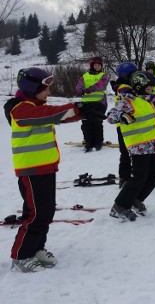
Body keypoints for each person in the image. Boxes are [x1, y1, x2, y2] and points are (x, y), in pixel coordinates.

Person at [4, 67, 85, 272]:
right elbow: (49, 114)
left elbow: (57, 116)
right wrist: (77, 108)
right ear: (32, 88)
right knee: (35, 213)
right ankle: (21, 256)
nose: (48, 93)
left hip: (47, 167)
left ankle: (36, 248)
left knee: (46, 211)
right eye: (45, 88)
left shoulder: (35, 106)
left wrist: (85, 113)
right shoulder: (20, 109)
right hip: (31, 170)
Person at [107, 71, 155, 221]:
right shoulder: (129, 100)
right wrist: (121, 116)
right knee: (139, 177)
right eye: (148, 89)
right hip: (138, 145)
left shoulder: (147, 100)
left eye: (152, 89)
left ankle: (135, 199)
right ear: (139, 87)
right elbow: (111, 115)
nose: (151, 91)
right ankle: (119, 206)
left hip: (152, 144)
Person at [110, 62, 138, 189]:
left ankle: (135, 175)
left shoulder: (127, 85)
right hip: (123, 126)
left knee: (135, 151)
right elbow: (130, 94)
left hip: (131, 123)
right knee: (126, 152)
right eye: (133, 75)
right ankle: (124, 178)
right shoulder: (122, 87)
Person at [75, 56, 109, 152]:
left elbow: (101, 85)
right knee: (86, 123)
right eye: (95, 65)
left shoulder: (103, 75)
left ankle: (98, 142)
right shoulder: (85, 76)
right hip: (87, 103)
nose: (97, 67)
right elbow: (79, 85)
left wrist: (91, 89)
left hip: (99, 103)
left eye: (99, 65)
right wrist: (79, 90)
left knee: (97, 122)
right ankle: (88, 142)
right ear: (92, 65)